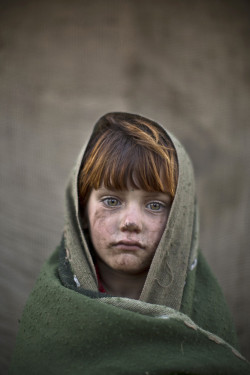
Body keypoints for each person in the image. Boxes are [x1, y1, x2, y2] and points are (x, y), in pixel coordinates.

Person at [9, 112, 250, 374]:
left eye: (155, 205)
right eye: (111, 201)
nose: (131, 222)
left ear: (179, 220)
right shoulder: (49, 318)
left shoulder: (206, 317)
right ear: (81, 212)